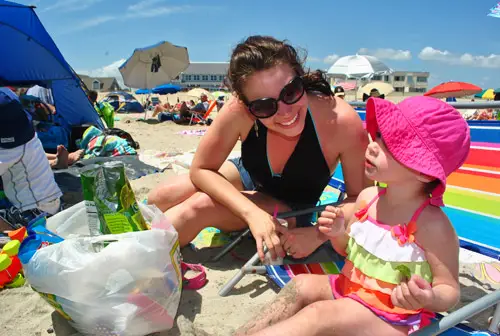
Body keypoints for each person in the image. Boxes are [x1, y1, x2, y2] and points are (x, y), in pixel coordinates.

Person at [236, 96, 470, 336]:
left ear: (423, 172)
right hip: (351, 289)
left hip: (393, 315)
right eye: (378, 135)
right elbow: (348, 252)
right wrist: (337, 234)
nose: (373, 145)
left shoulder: (432, 225)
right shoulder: (368, 198)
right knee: (301, 285)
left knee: (319, 315)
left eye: (389, 145)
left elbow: (449, 290)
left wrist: (427, 297)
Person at [148, 35, 369, 261]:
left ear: (301, 78)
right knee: (163, 195)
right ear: (247, 105)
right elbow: (201, 169)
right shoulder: (238, 111)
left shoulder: (340, 122)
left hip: (292, 207)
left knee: (199, 207)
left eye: (290, 92)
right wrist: (251, 213)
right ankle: (132, 237)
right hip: (249, 176)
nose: (285, 112)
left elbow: (364, 199)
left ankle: (139, 257)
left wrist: (317, 234)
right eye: (264, 106)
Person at [0, 88, 62, 230]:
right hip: (49, 204)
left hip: (33, 213)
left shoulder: (8, 150)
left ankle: (15, 237)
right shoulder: (26, 134)